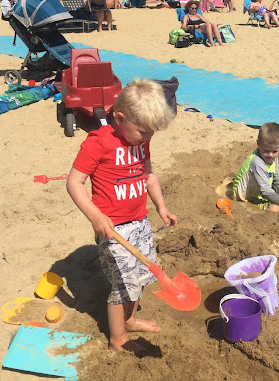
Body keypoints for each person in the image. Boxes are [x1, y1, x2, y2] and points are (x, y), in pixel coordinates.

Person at [66, 78, 177, 354]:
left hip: (140, 221)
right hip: (113, 229)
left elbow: (149, 175)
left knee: (140, 276)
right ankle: (117, 339)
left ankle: (130, 320)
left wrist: (161, 206)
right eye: (143, 132)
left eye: (151, 134)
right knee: (123, 285)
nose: (147, 138)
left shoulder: (140, 141)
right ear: (120, 118)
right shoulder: (98, 143)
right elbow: (74, 183)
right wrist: (95, 216)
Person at [232, 122, 279, 212]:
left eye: (275, 151)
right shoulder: (257, 162)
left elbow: (276, 179)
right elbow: (265, 191)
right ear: (258, 144)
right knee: (275, 208)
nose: (270, 155)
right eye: (266, 151)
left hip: (264, 187)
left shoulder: (273, 158)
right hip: (248, 197)